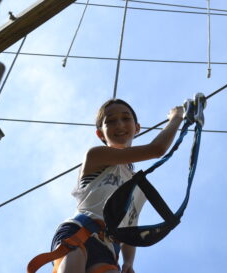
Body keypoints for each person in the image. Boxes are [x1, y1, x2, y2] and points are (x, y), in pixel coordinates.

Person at [51, 99, 184, 273]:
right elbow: (157, 149)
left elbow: (129, 227)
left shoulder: (138, 187)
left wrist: (129, 261)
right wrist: (177, 117)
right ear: (100, 134)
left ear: (137, 128)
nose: (119, 124)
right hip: (79, 231)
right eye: (111, 121)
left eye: (125, 118)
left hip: (109, 248)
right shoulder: (96, 156)